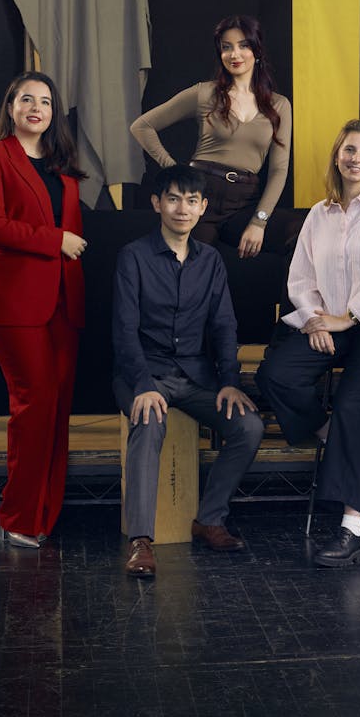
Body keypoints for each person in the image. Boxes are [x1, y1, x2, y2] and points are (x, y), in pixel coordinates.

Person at [255, 120, 360, 568]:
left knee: (354, 402)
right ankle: (328, 432)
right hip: (330, 318)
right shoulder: (319, 214)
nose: (356, 159)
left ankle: (352, 523)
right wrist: (314, 320)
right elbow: (301, 279)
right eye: (349, 150)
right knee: (276, 374)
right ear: (337, 157)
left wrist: (347, 319)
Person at [112, 165, 264, 577]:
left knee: (248, 427)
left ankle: (209, 519)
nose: (183, 208)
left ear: (203, 208)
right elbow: (124, 331)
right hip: (142, 373)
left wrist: (230, 382)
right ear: (157, 203)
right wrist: (143, 385)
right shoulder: (134, 256)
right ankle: (141, 541)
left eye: (192, 200)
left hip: (196, 376)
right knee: (150, 418)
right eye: (174, 199)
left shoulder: (211, 260)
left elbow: (224, 325)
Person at [0, 71, 87, 549]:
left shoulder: (64, 172)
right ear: (11, 106)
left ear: (53, 113)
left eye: (45, 101)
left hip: (63, 303)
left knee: (55, 410)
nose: (36, 107)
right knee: (33, 403)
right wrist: (55, 240)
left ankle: (43, 515)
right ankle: (16, 515)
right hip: (13, 302)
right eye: (26, 99)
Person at [130, 14, 303, 258]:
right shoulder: (204, 93)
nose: (235, 54)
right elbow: (142, 126)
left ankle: (288, 299)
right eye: (226, 47)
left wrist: (259, 221)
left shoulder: (279, 105)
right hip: (201, 197)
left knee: (301, 233)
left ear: (257, 50)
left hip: (244, 203)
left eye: (243, 46)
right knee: (191, 263)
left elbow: (278, 170)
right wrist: (175, 171)